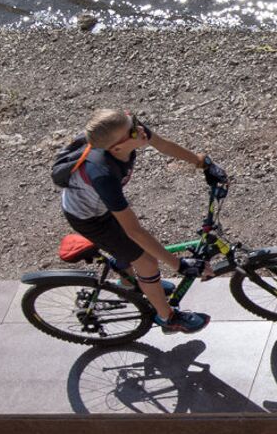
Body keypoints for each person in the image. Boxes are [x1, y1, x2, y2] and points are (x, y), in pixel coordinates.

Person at [59, 108, 224, 334]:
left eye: (134, 122)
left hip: (102, 205)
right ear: (116, 147)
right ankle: (167, 317)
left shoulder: (128, 131)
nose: (140, 130)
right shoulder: (103, 174)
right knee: (147, 261)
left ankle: (130, 284)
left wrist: (200, 162)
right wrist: (179, 265)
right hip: (89, 218)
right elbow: (135, 231)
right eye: (133, 132)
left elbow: (163, 145)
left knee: (132, 252)